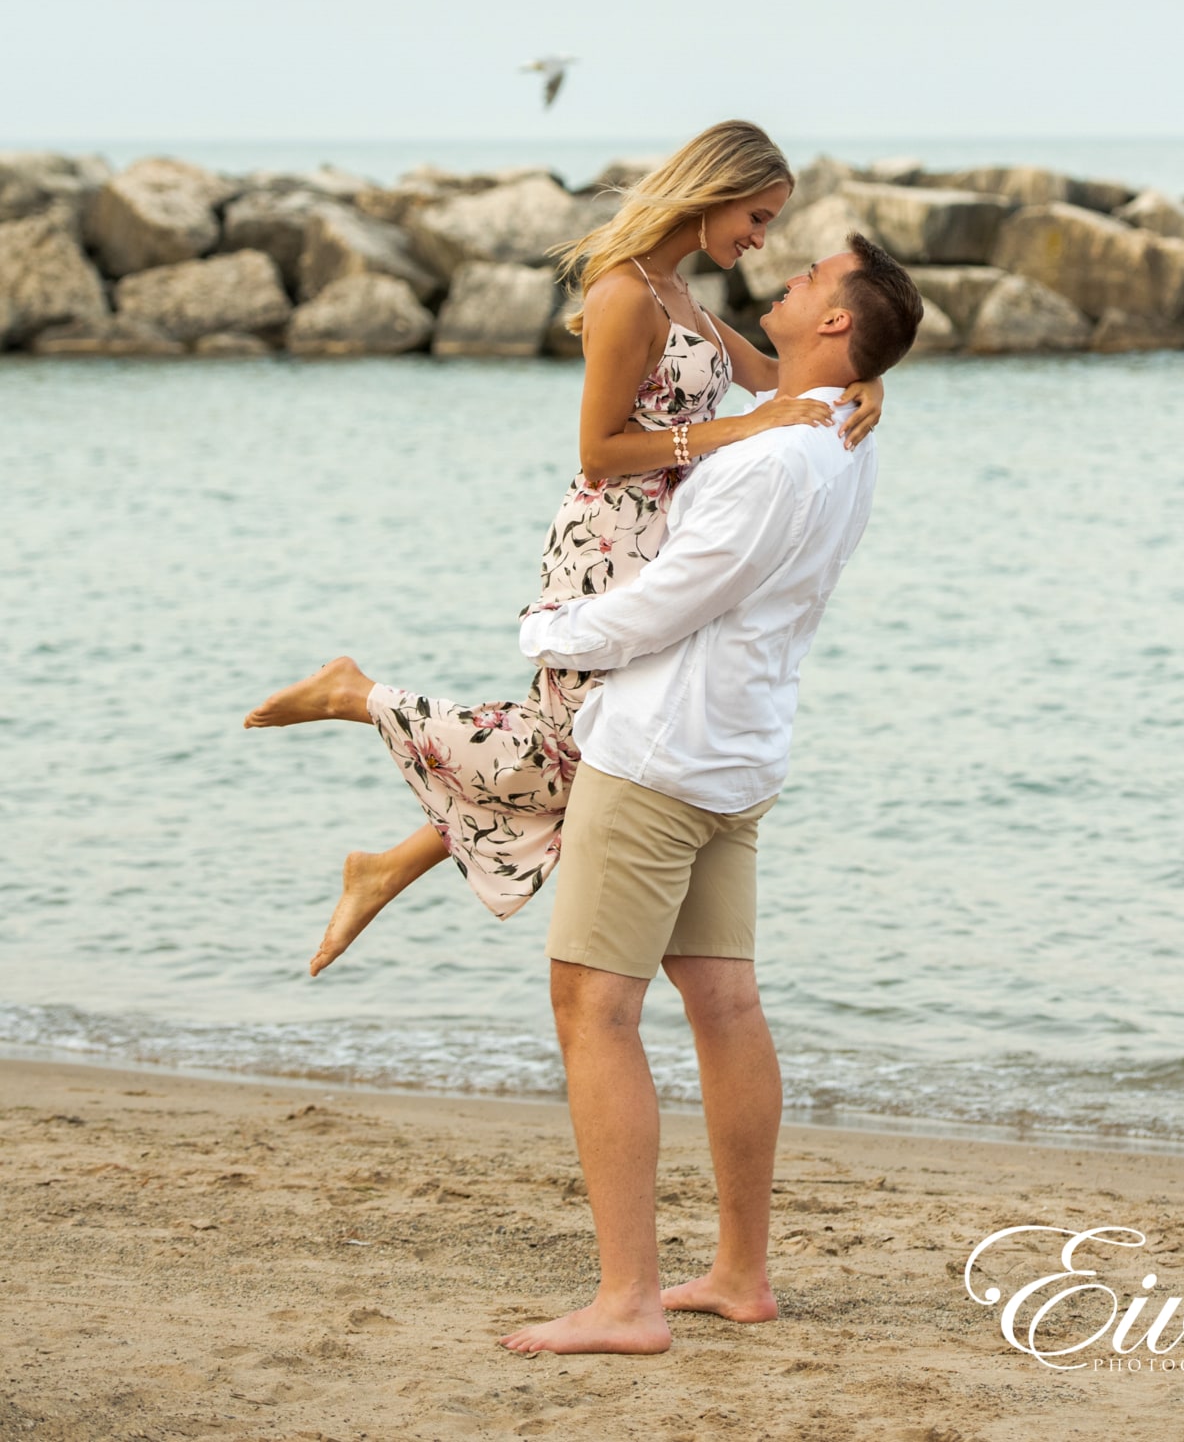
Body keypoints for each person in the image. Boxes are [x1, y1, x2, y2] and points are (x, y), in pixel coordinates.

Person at [243, 121, 884, 973]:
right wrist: (735, 430)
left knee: (592, 764)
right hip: (609, 538)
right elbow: (599, 451)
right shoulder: (627, 293)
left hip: (663, 532)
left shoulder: (684, 294)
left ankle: (388, 865)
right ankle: (358, 697)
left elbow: (777, 379)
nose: (760, 240)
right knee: (577, 754)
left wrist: (868, 375)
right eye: (756, 217)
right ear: (714, 195)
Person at [498, 232, 924, 1357]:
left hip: (659, 758)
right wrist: (855, 376)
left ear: (834, 322)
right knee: (723, 1004)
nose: (785, 277)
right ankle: (740, 1273)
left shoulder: (768, 459)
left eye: (810, 281)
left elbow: (667, 601)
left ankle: (626, 1301)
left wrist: (547, 628)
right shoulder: (842, 433)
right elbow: (750, 372)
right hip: (738, 755)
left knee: (593, 1010)